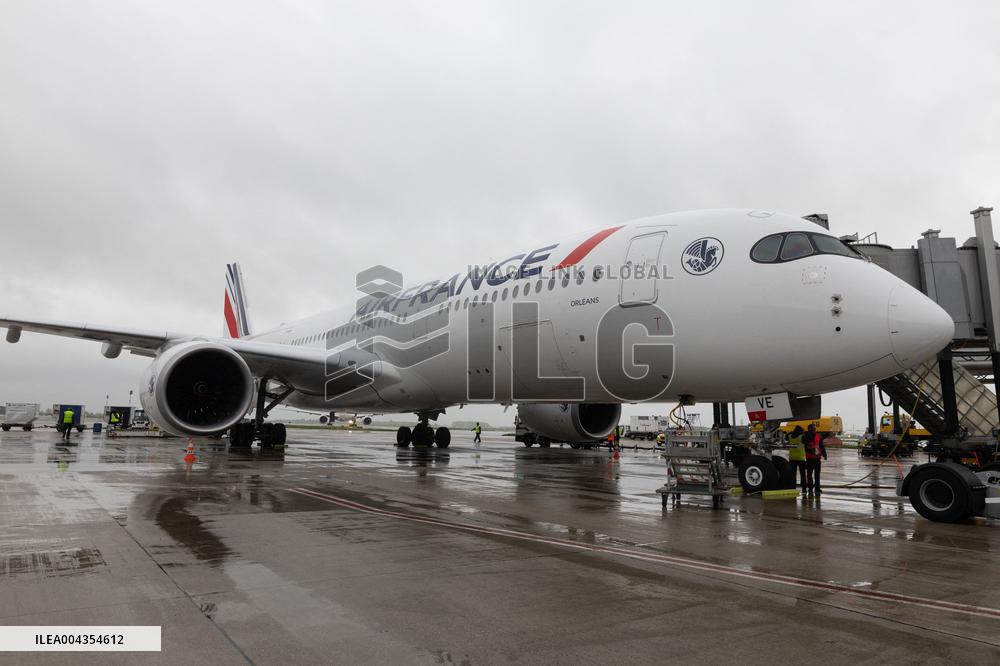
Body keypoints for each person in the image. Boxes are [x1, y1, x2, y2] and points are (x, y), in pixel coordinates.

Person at [802, 423, 827, 496]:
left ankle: (817, 489)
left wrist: (824, 454)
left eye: (815, 429)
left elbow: (821, 446)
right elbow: (805, 444)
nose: (814, 430)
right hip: (810, 458)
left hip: (817, 459)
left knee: (817, 475)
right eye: (813, 429)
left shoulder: (818, 436)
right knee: (809, 475)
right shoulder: (806, 436)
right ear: (809, 429)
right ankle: (810, 489)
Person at [787, 425, 807, 493]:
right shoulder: (802, 436)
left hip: (792, 457)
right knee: (803, 474)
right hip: (801, 458)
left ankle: (793, 488)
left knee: (793, 474)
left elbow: (787, 436)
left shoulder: (790, 436)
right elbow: (806, 443)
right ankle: (804, 489)